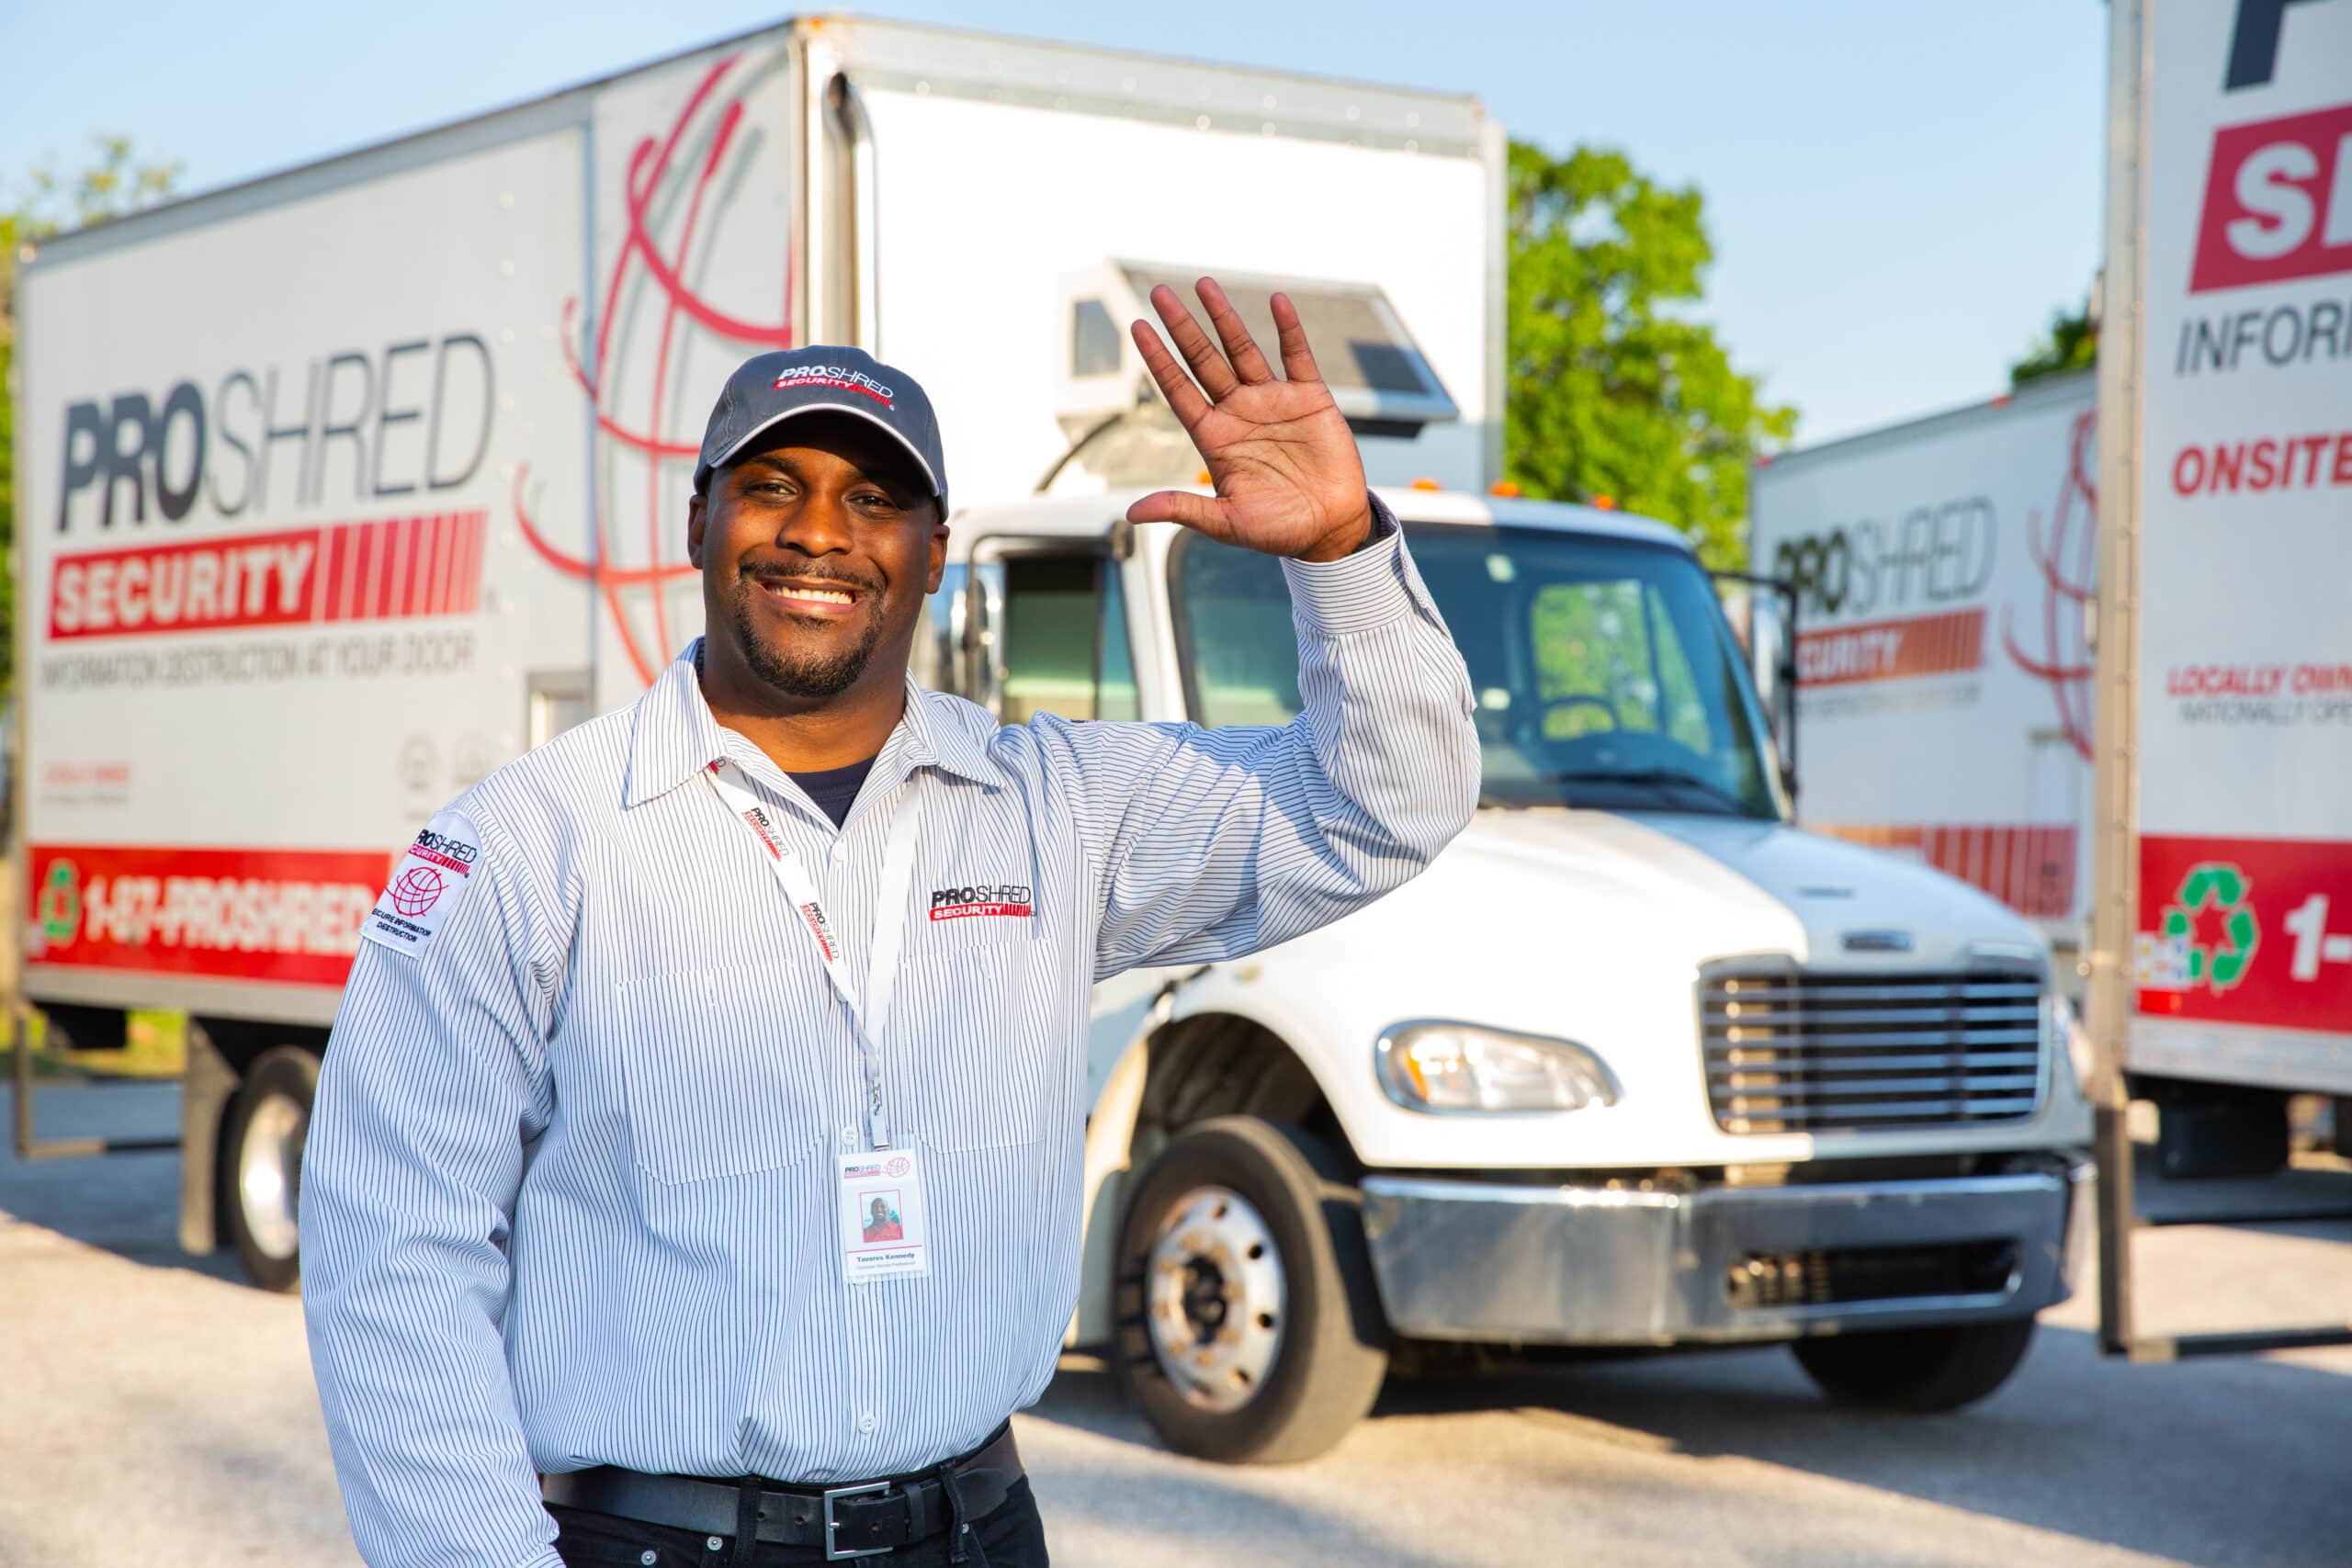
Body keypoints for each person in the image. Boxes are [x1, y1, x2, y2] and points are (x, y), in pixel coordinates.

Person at [300, 278, 1479, 1568]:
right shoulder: (535, 838)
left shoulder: (1056, 809)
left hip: (976, 1535)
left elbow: (1383, 808)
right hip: (655, 1544)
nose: (820, 534)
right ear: (698, 516)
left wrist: (1341, 551)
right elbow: (392, 1252)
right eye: (773, 486)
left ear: (935, 547)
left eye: (874, 500)